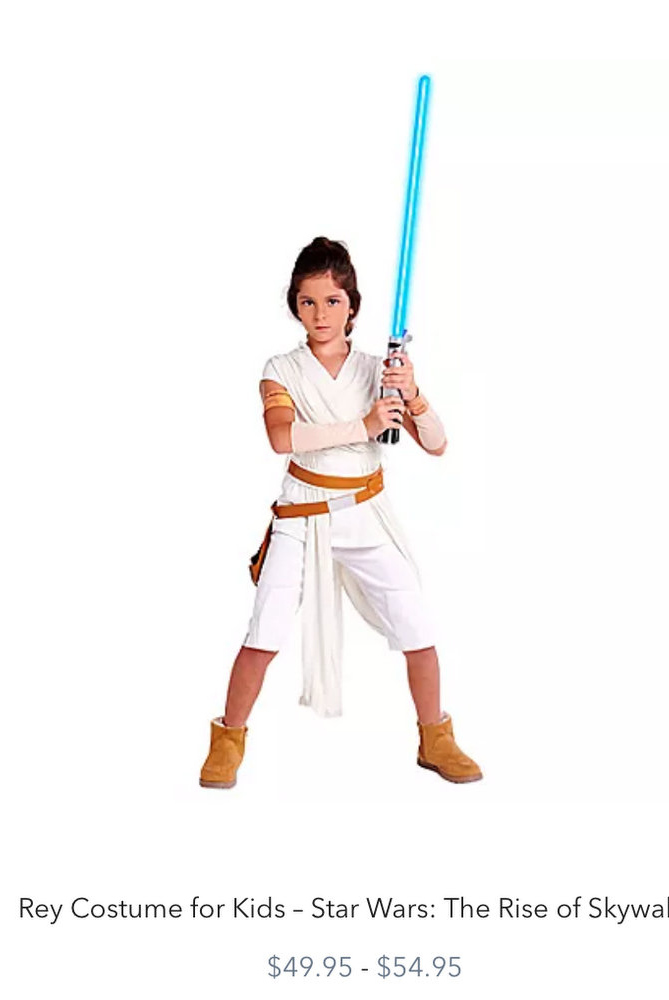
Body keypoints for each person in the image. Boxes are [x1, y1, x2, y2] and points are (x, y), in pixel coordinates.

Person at [199, 237, 481, 788]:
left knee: (417, 627)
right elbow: (282, 437)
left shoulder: (380, 369)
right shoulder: (281, 368)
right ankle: (228, 738)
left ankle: (436, 737)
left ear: (351, 305)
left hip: (366, 514)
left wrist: (412, 393)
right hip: (301, 516)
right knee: (264, 632)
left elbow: (438, 443)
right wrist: (364, 425)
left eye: (332, 301)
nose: (320, 314)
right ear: (294, 305)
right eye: (308, 302)